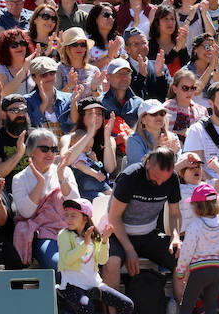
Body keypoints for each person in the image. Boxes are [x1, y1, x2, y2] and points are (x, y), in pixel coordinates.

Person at [102, 147, 183, 293]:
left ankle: (183, 307)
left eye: (163, 180)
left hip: (148, 234)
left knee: (182, 259)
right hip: (119, 235)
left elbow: (175, 213)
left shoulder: (172, 179)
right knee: (111, 263)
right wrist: (129, 249)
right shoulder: (130, 176)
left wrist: (175, 235)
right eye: (156, 178)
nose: (159, 184)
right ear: (147, 164)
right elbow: (114, 217)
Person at [10, 128, 79, 269]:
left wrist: (61, 178)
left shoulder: (64, 171)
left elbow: (76, 204)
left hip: (70, 230)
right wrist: (40, 183)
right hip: (43, 234)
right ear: (31, 151)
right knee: (57, 264)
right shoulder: (19, 178)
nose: (50, 153)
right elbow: (26, 213)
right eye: (44, 149)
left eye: (53, 149)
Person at [58, 197, 133, 314]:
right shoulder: (63, 235)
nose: (68, 219)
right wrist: (85, 244)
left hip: (94, 284)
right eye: (66, 215)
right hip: (71, 285)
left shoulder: (94, 234)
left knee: (127, 305)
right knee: (87, 309)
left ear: (85, 218)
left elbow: (102, 261)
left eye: (73, 215)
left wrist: (104, 241)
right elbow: (66, 260)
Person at [174, 183, 219, 314]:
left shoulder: (195, 226)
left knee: (187, 304)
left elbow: (186, 251)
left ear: (197, 207)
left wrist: (181, 271)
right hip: (217, 272)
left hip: (198, 272)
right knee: (210, 305)